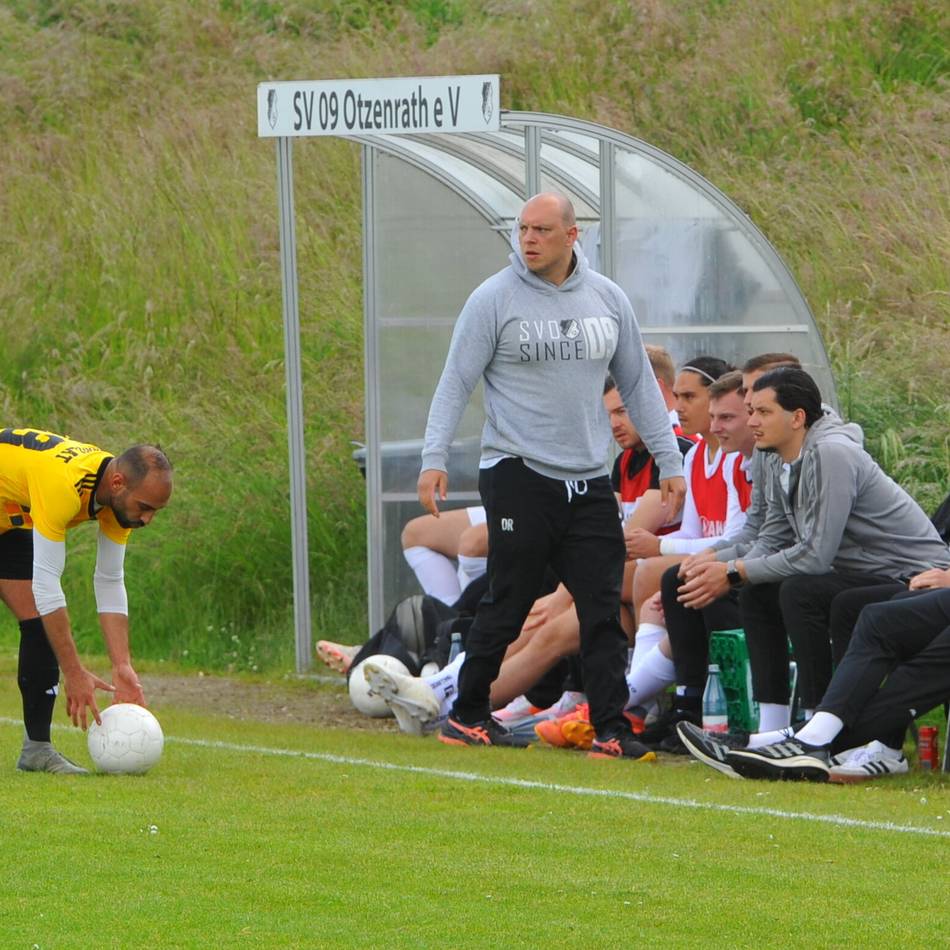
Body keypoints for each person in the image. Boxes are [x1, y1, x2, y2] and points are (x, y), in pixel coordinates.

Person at [417, 192, 685, 758]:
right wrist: (432, 459)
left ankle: (611, 728)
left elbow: (638, 384)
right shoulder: (493, 299)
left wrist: (670, 461)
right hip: (517, 471)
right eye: (522, 229)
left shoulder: (607, 299)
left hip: (588, 478)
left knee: (602, 605)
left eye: (541, 229)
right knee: (509, 600)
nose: (529, 239)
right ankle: (467, 714)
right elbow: (454, 382)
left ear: (572, 236)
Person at [674, 367, 949, 731]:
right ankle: (770, 729)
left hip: (914, 575)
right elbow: (769, 537)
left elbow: (815, 555)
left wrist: (732, 571)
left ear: (797, 417)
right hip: (862, 572)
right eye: (751, 410)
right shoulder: (771, 454)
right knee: (757, 592)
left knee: (801, 591)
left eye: (762, 411)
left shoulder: (832, 453)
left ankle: (815, 722)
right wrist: (716, 564)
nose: (752, 421)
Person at [0, 428, 172, 773]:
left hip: (10, 515)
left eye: (155, 511)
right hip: (14, 509)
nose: (148, 519)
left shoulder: (117, 501)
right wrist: (73, 671)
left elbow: (109, 579)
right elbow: (48, 584)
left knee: (39, 625)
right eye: (145, 508)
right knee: (43, 607)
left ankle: (36, 750)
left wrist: (121, 665)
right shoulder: (63, 485)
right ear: (119, 483)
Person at [677, 569, 950, 782]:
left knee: (922, 669)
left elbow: (816, 551)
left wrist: (731, 569)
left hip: (893, 572)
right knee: (878, 619)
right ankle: (794, 741)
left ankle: (791, 742)